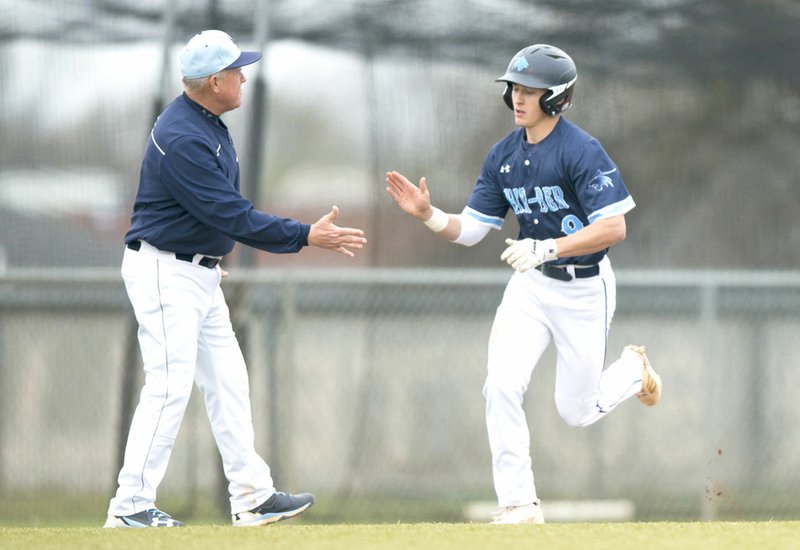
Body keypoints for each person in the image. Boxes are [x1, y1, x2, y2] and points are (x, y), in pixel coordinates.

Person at [386, 44, 662, 525]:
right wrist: (429, 215)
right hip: (531, 287)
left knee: (576, 412)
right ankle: (519, 504)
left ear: (556, 99)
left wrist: (548, 246)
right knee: (501, 387)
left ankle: (633, 371)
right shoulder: (503, 155)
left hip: (583, 289)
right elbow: (471, 230)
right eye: (514, 87)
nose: (517, 97)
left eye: (529, 90)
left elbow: (614, 227)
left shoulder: (580, 150)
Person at [105, 30, 367, 528]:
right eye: (235, 70)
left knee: (229, 382)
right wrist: (307, 235)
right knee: (167, 388)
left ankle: (251, 496)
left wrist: (205, 252)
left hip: (193, 270)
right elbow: (233, 214)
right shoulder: (183, 136)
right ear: (212, 82)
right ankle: (130, 507)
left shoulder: (207, 121)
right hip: (166, 270)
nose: (244, 75)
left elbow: (207, 214)